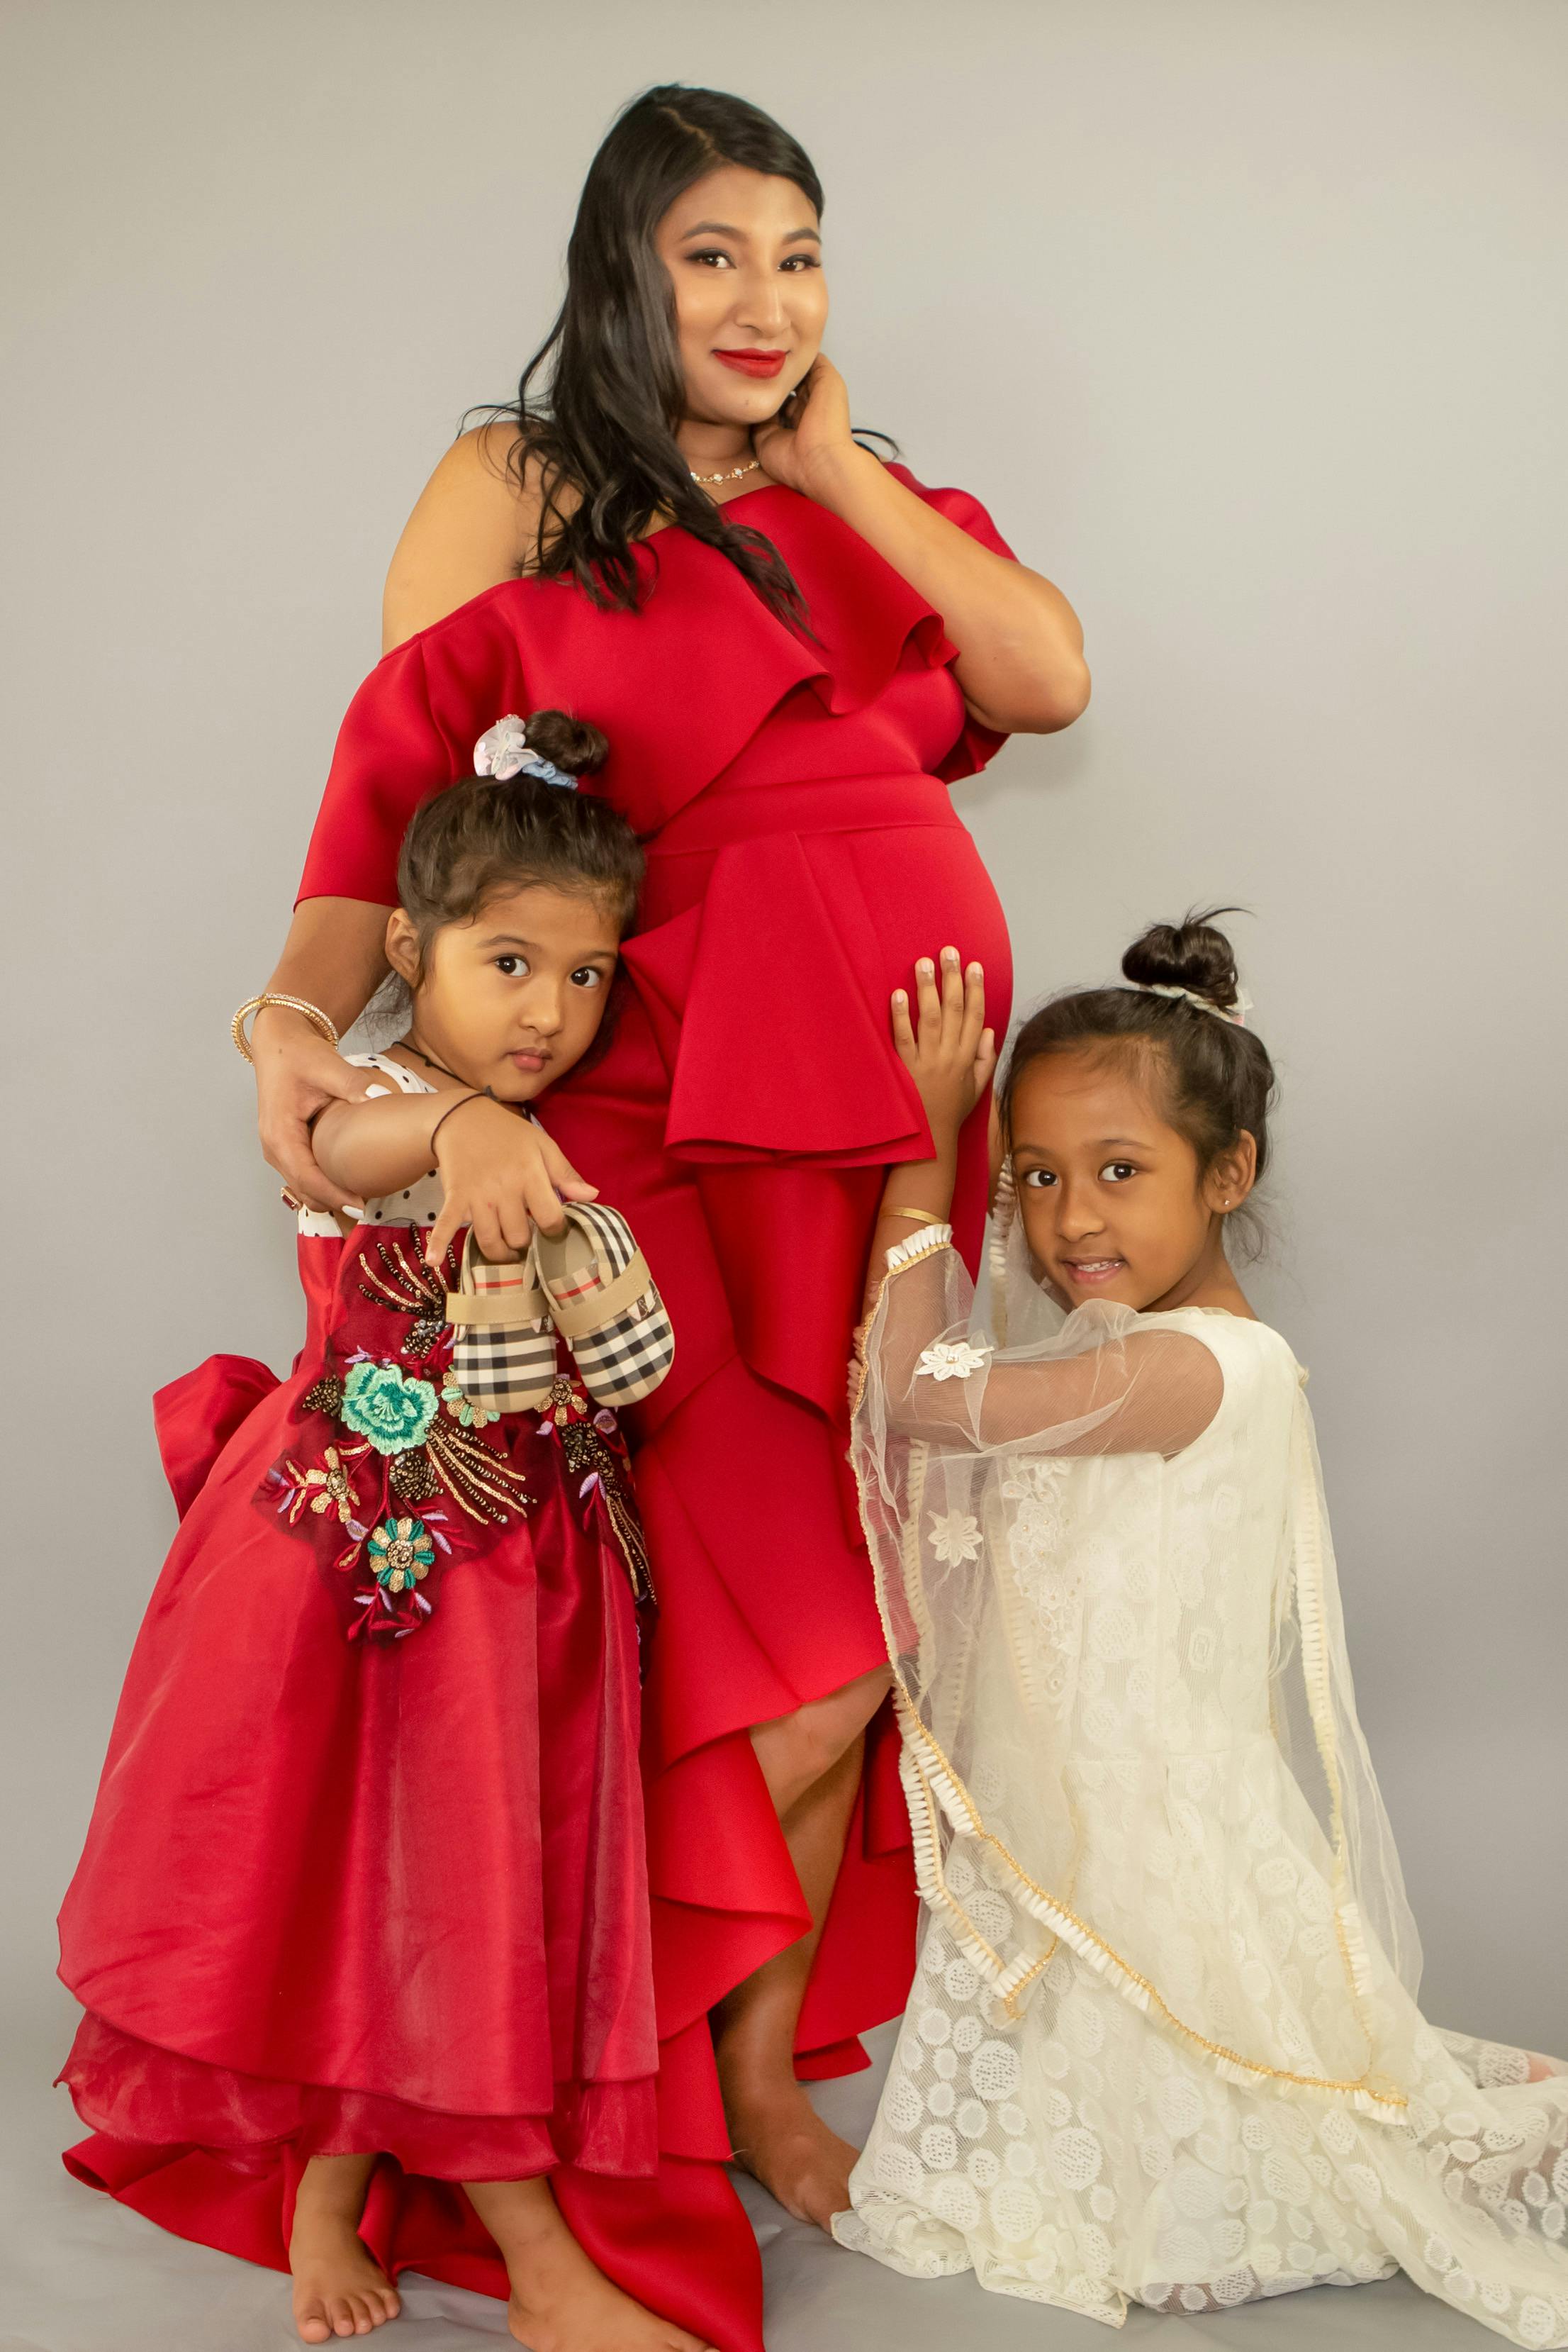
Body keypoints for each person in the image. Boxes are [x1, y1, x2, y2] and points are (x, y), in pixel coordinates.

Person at [244, 79, 1091, 2263]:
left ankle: (745, 2045)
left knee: (862, 1626)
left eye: (798, 256)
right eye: (712, 253)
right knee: (704, 1626)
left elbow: (1044, 673)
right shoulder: (516, 481)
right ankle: (538, 2069)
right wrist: (293, 1019)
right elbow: (397, 812)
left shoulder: (869, 494)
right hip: (640, 1132)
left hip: (890, 1115)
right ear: (622, 265)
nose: (760, 296)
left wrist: (829, 471)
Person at [58, 715, 729, 2352]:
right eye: (509, 962)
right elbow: (345, 1151)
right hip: (359, 1569)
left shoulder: (536, 1127)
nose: (549, 1013)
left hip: (524, 1571)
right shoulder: (360, 1099)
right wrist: (450, 1132)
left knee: (458, 1884)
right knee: (368, 1877)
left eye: (584, 979)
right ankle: (517, 2258)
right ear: (411, 949)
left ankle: (331, 2190)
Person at [836, 919, 1568, 2342]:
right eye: (1035, 1177)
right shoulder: (1129, 1351)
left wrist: (920, 1157)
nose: (1068, 1221)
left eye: (1120, 1172)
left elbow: (914, 1400)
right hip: (1099, 1815)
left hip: (1140, 1824)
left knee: (1235, 2144)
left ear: (1226, 1175)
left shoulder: (1183, 1367)